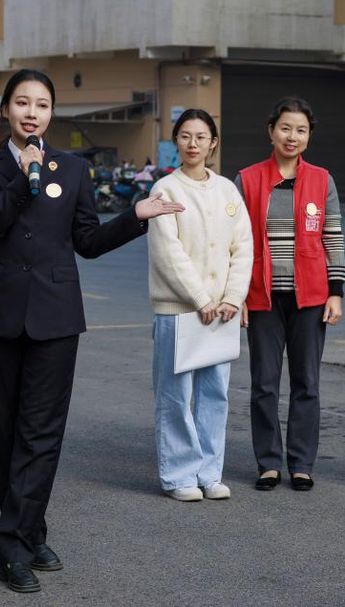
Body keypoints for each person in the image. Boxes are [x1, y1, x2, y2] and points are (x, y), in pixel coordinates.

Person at [0, 69, 184, 593]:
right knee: (8, 435)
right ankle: (31, 528)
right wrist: (23, 179)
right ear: (6, 110)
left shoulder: (75, 169)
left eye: (41, 104)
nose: (32, 112)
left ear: (51, 113)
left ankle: (13, 547)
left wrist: (137, 215)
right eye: (22, 102)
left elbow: (86, 240)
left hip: (56, 317)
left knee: (42, 434)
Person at [235, 97, 345, 492]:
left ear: (309, 135)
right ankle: (268, 462)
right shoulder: (247, 180)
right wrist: (238, 296)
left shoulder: (321, 179)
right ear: (271, 130)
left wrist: (337, 291)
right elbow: (238, 241)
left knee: (307, 383)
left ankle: (301, 463)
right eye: (285, 128)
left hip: (310, 298)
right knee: (264, 383)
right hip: (262, 296)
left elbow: (332, 236)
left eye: (301, 130)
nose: (292, 136)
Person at [147, 108, 252, 502]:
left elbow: (243, 247)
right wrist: (201, 299)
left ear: (213, 143)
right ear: (176, 141)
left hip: (222, 311)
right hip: (179, 309)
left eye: (201, 136)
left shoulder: (227, 190)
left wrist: (232, 298)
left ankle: (210, 472)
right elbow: (167, 253)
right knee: (175, 396)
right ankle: (178, 476)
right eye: (186, 136)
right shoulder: (165, 190)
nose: (194, 144)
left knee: (215, 395)